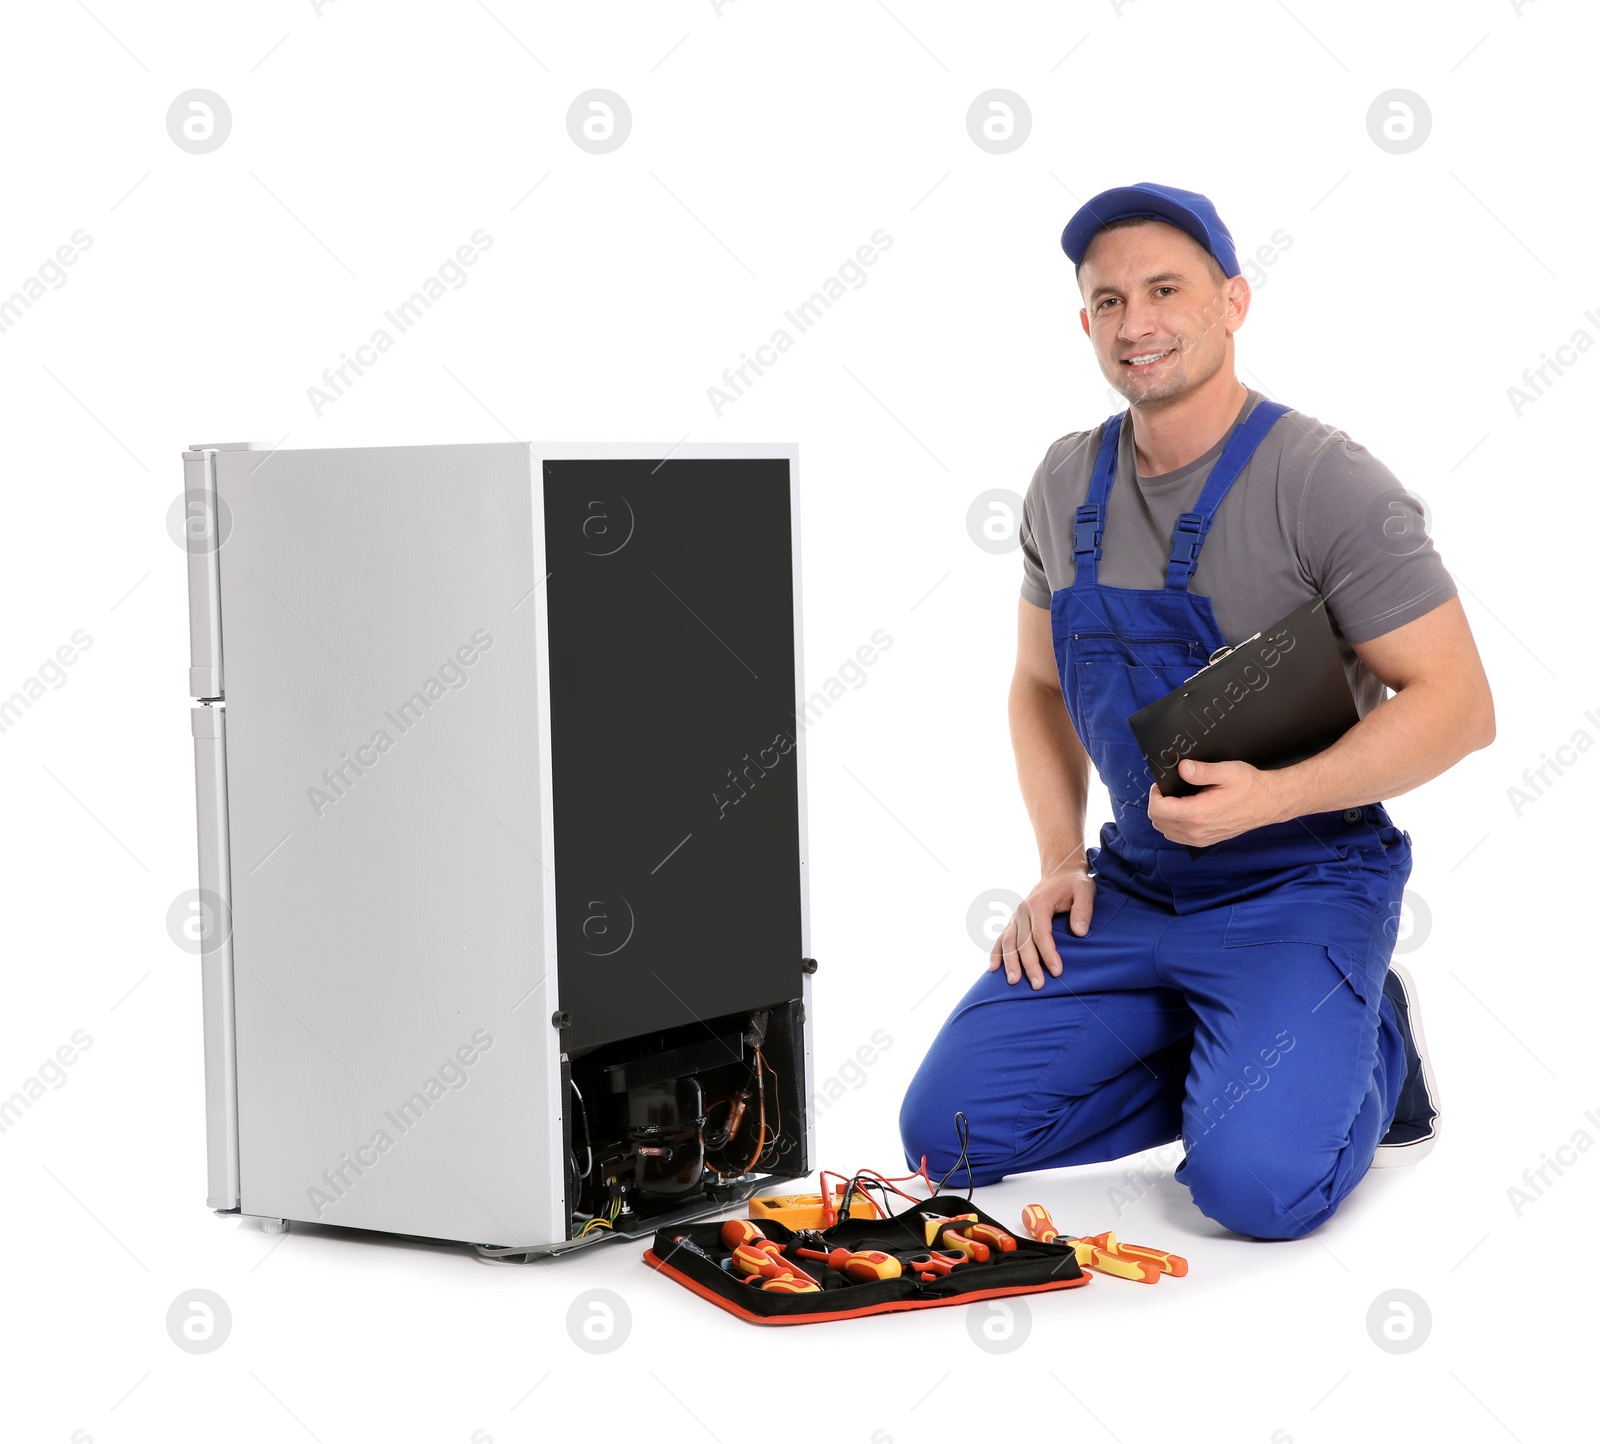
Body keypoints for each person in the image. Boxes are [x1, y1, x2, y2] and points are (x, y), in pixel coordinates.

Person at [898, 183, 1494, 1240]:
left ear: (1232, 301)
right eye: (1109, 300)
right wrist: (1054, 862)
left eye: (1165, 290)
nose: (1137, 324)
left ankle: (1366, 1041)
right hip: (1135, 886)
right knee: (948, 1137)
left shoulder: (1322, 481)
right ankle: (1252, 1049)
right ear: (1085, 322)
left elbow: (1458, 705)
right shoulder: (1060, 482)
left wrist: (1275, 796)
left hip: (1301, 883)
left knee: (1257, 1191)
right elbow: (1037, 683)